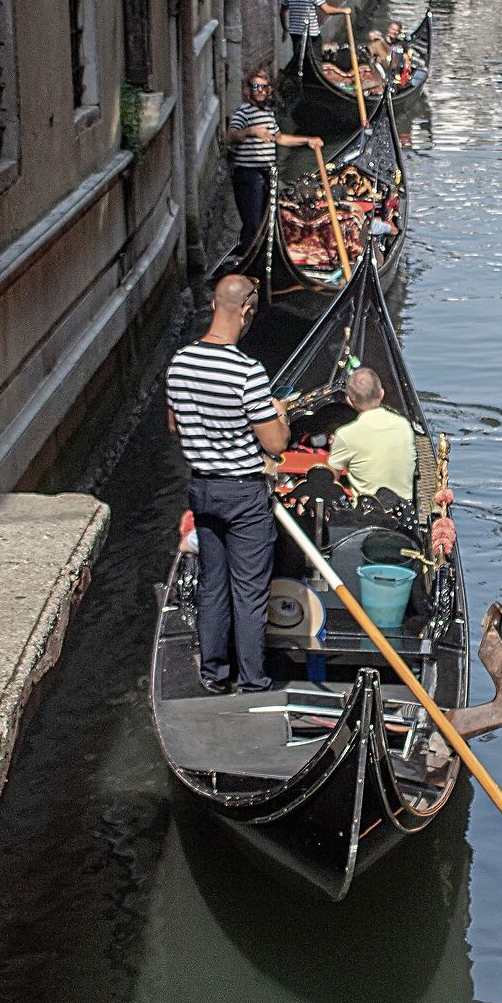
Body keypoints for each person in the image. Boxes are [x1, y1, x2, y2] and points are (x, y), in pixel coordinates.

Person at [167, 275, 290, 694]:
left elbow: (174, 424)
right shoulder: (247, 371)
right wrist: (278, 413)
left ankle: (214, 675)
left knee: (212, 584)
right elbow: (275, 443)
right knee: (250, 590)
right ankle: (254, 680)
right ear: (246, 311)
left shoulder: (180, 362)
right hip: (243, 493)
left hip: (202, 489)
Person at [221, 68, 322, 237]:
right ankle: (248, 255)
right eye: (256, 87)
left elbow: (280, 138)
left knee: (265, 223)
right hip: (248, 176)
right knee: (253, 225)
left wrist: (307, 140)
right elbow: (229, 137)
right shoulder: (243, 112)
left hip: (266, 175)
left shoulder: (268, 114)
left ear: (269, 90)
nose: (260, 91)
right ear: (249, 89)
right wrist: (251, 131)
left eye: (263, 87)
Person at [326, 367, 416, 503]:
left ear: (349, 401)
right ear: (381, 394)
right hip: (404, 512)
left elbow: (330, 479)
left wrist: (336, 446)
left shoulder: (346, 434)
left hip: (367, 515)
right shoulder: (404, 426)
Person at [281, 0, 347, 77]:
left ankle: (303, 80)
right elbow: (326, 9)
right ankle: (317, 80)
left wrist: (285, 29)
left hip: (295, 32)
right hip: (311, 34)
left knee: (300, 60)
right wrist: (343, 10)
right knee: (316, 61)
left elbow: (283, 11)